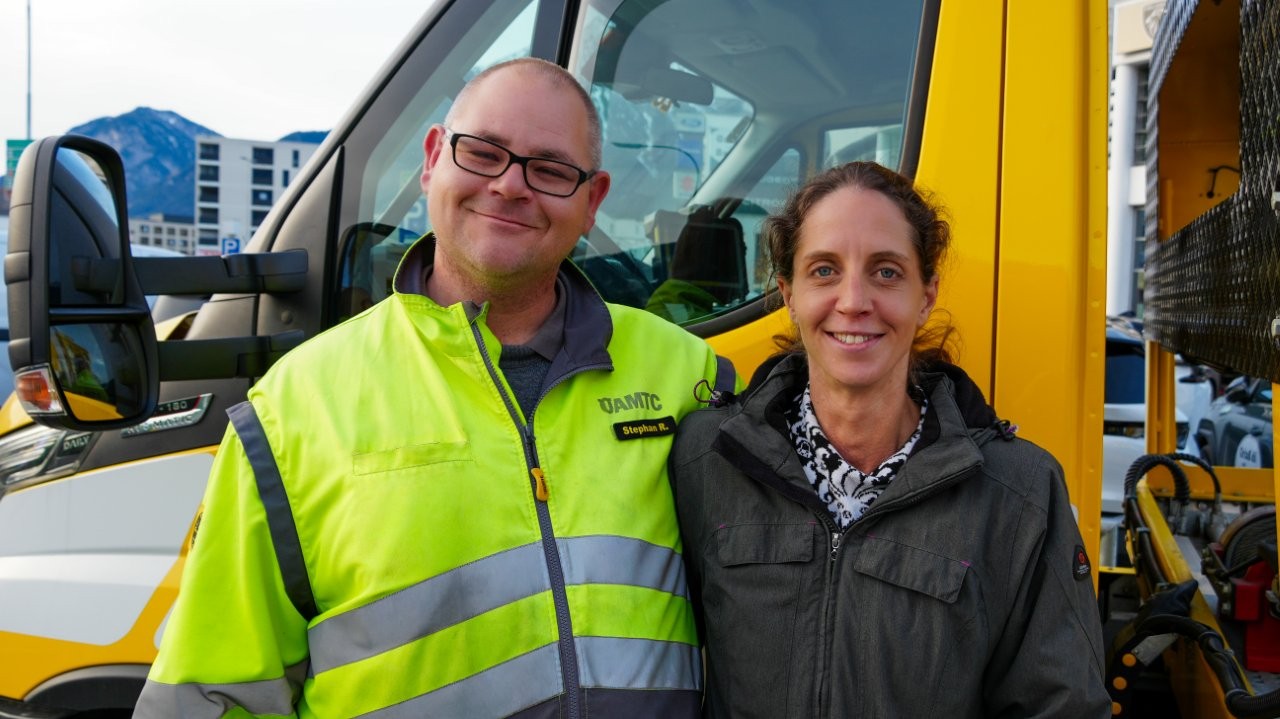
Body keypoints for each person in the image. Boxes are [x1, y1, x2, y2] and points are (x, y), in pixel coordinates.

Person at [135, 58, 733, 719]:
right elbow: (210, 694)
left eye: (552, 169)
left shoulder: (690, 377)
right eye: (482, 153)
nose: (510, 185)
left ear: (592, 202)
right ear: (431, 160)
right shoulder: (295, 408)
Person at [669, 161, 1111, 718]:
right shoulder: (707, 459)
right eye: (825, 270)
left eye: (885, 272)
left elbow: (1061, 708)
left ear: (926, 295)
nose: (853, 301)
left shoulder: (1019, 492)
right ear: (788, 293)